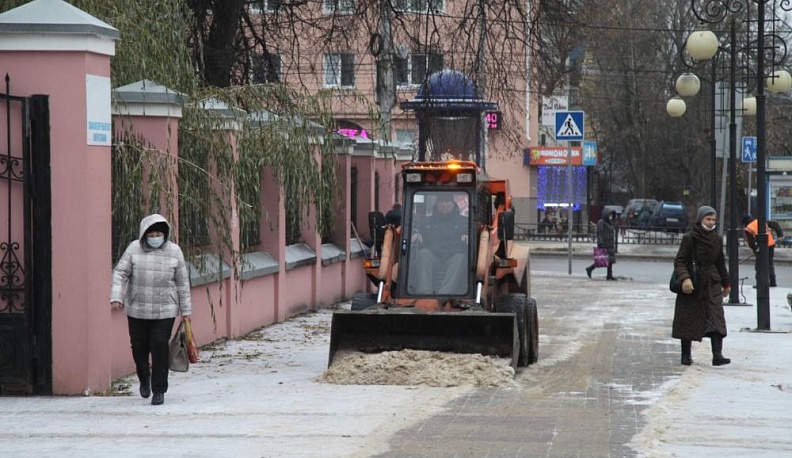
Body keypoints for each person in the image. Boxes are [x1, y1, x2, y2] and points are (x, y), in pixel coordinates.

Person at [110, 214, 192, 406]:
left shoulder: (175, 251)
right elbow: (120, 272)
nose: (155, 237)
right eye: (151, 233)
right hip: (137, 308)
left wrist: (186, 310)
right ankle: (143, 377)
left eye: (158, 233)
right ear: (144, 234)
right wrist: (116, 296)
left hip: (165, 308)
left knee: (159, 345)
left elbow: (182, 282)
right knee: (139, 347)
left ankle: (159, 389)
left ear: (165, 234)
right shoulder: (133, 249)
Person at [672, 206, 731, 366]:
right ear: (700, 219)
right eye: (708, 219)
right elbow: (680, 260)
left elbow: (720, 263)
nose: (711, 223)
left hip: (711, 283)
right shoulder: (690, 238)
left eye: (713, 219)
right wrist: (685, 279)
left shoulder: (717, 239)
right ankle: (686, 355)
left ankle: (717, 355)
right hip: (694, 282)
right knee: (688, 318)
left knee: (716, 317)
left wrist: (726, 284)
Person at [409, 194, 468, 295]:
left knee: (460, 258)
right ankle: (424, 293)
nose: (444, 204)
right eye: (441, 202)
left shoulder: (464, 222)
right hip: (433, 258)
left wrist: (467, 236)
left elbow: (472, 235)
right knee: (423, 253)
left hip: (453, 258)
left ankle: (445, 294)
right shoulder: (426, 222)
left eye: (447, 202)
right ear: (437, 204)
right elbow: (417, 231)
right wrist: (416, 234)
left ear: (453, 203)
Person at [742, 214, 783, 287]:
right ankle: (772, 282)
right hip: (770, 244)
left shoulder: (748, 228)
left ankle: (760, 283)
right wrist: (780, 235)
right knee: (769, 264)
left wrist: (755, 250)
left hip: (762, 247)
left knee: (759, 265)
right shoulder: (761, 221)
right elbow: (775, 224)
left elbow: (751, 242)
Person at [585, 209, 618, 280]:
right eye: (609, 215)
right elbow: (600, 233)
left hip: (610, 244)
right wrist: (601, 243)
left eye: (611, 215)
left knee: (610, 261)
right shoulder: (601, 222)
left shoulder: (610, 223)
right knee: (601, 260)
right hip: (605, 243)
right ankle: (590, 269)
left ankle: (609, 275)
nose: (610, 216)